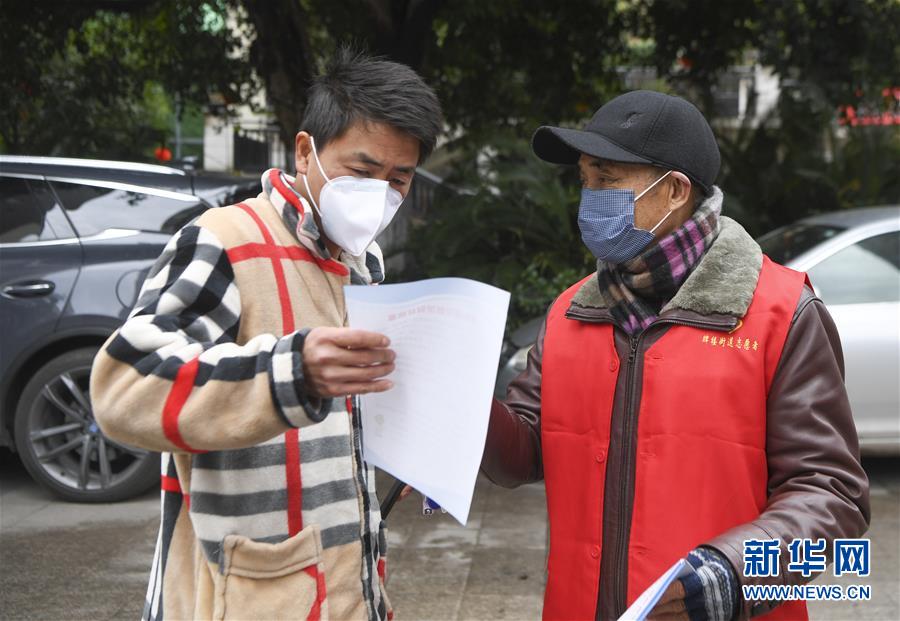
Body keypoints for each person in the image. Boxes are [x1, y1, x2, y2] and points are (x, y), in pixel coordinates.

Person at [480, 90, 870, 621]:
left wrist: (726, 576)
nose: (589, 197)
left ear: (675, 191)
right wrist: (465, 404)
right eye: (585, 181)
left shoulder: (782, 312)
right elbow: (521, 454)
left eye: (607, 180)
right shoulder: (571, 312)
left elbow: (832, 494)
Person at [90, 49, 441, 621]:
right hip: (244, 595)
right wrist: (291, 372)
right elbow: (123, 388)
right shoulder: (222, 240)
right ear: (306, 151)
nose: (380, 193)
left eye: (398, 178)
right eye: (362, 170)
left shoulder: (361, 262)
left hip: (349, 592)